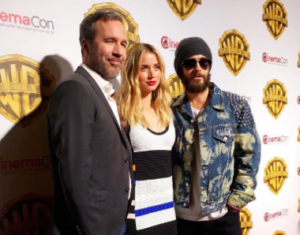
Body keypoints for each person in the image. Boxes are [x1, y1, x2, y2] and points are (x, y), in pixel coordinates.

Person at [47, 11, 132, 235]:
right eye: (109, 41)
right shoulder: (75, 90)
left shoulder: (105, 92)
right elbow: (76, 176)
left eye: (123, 43)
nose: (119, 51)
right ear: (85, 46)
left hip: (113, 223)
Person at [171, 37, 261, 235]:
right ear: (180, 69)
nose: (198, 68)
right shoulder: (169, 110)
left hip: (223, 219)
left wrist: (237, 200)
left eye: (204, 62)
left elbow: (250, 156)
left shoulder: (235, 106)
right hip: (181, 220)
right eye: (190, 63)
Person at [114, 43, 178, 234]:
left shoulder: (166, 110)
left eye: (156, 67)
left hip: (167, 210)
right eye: (144, 68)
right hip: (136, 214)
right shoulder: (120, 111)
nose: (152, 75)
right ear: (132, 71)